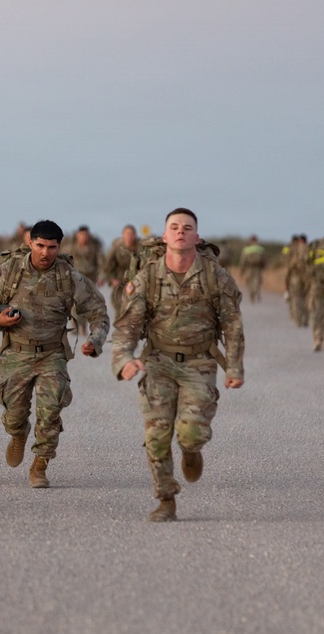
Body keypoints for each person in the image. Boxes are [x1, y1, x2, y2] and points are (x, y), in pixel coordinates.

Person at [111, 208, 244, 522]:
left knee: (191, 432)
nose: (181, 232)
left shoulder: (215, 276)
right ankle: (166, 500)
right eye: (175, 227)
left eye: (187, 228)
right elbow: (128, 326)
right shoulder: (148, 277)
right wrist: (124, 360)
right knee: (156, 436)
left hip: (200, 362)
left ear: (196, 238)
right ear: (165, 236)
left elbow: (232, 325)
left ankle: (190, 449)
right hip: (158, 362)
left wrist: (234, 368)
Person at [0, 220, 109, 488]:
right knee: (14, 414)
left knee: (50, 413)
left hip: (52, 355)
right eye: (40, 246)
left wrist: (95, 341)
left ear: (59, 247)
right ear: (30, 243)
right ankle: (18, 434)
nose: (45, 252)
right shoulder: (10, 270)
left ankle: (40, 465)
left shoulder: (69, 276)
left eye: (52, 247)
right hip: (16, 353)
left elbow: (98, 310)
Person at [103, 224, 140, 318]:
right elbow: (108, 264)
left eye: (132, 234)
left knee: (134, 306)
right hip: (119, 278)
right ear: (123, 235)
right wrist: (111, 279)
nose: (130, 236)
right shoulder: (117, 246)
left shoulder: (140, 247)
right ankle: (119, 327)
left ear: (135, 235)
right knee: (118, 304)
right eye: (127, 234)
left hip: (135, 279)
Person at [283, 234, 310, 327]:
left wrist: (287, 278)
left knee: (297, 298)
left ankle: (298, 319)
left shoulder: (292, 249)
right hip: (308, 277)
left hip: (296, 277)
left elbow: (288, 262)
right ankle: (305, 319)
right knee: (307, 298)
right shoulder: (309, 249)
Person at [239, 235, 266, 303]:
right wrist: (263, 267)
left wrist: (242, 271)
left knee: (249, 282)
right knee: (257, 282)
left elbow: (243, 261)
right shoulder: (260, 249)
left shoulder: (246, 249)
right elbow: (264, 260)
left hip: (249, 268)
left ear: (250, 241)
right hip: (258, 269)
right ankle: (255, 291)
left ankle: (252, 293)